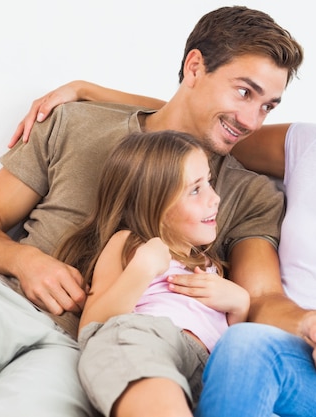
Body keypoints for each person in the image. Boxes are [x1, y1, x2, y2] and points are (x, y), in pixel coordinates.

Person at [12, 62, 316, 416]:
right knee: (241, 347)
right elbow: (209, 129)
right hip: (276, 345)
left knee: (244, 346)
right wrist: (92, 89)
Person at [0, 6, 303, 417]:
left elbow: (265, 297)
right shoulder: (76, 122)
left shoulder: (248, 193)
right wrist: (24, 259)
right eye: (244, 91)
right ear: (194, 67)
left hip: (85, 354)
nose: (251, 120)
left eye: (268, 106)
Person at [55, 130, 249, 416]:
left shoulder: (208, 263)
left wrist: (240, 303)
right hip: (149, 340)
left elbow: (230, 340)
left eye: (208, 182)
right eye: (195, 190)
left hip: (208, 369)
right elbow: (94, 325)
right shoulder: (130, 244)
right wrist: (142, 269)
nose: (215, 198)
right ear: (152, 203)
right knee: (137, 363)